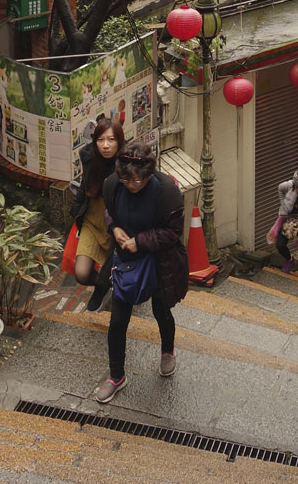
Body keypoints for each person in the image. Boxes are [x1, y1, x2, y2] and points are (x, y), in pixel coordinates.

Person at [95, 140, 189, 404]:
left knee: (161, 311)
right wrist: (113, 228)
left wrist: (141, 241)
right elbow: (109, 212)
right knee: (117, 322)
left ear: (149, 174)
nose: (132, 185)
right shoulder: (113, 185)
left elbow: (173, 232)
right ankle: (116, 376)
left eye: (138, 181)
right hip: (126, 262)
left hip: (159, 262)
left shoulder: (166, 191)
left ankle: (167, 351)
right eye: (127, 181)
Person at [70, 117, 125, 312]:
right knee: (82, 274)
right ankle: (110, 285)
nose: (106, 145)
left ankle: (109, 287)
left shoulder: (126, 164)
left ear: (119, 141)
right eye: (100, 140)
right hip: (92, 221)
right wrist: (75, 212)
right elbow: (85, 187)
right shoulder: (88, 157)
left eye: (111, 140)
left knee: (111, 269)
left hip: (116, 225)